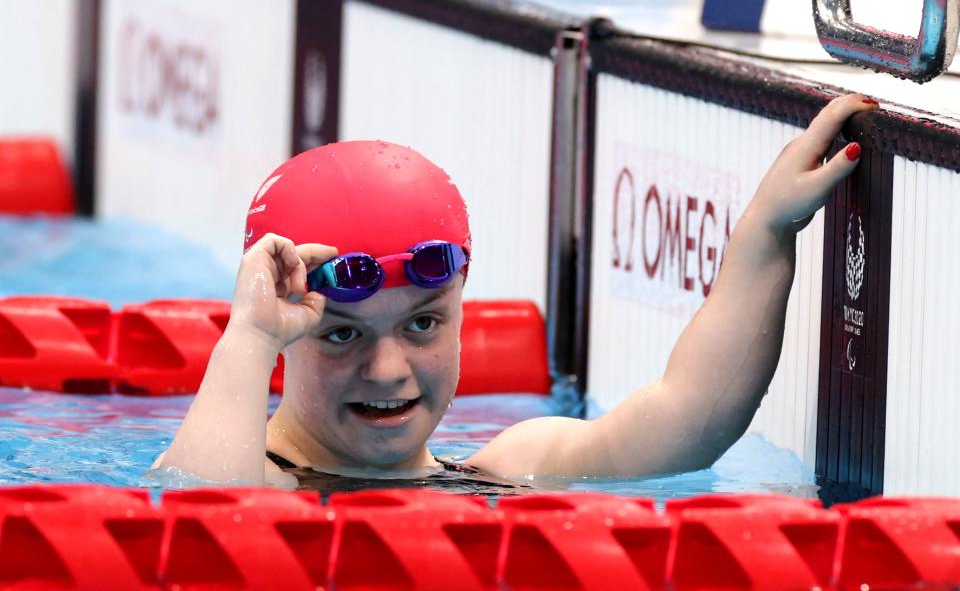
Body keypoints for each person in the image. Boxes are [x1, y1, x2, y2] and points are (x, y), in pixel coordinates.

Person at [155, 94, 876, 487]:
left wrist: (765, 233)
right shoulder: (254, 478)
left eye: (423, 325)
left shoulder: (504, 471)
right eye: (341, 334)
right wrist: (246, 338)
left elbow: (688, 425)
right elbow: (200, 527)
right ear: (282, 338)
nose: (388, 370)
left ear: (461, 302)